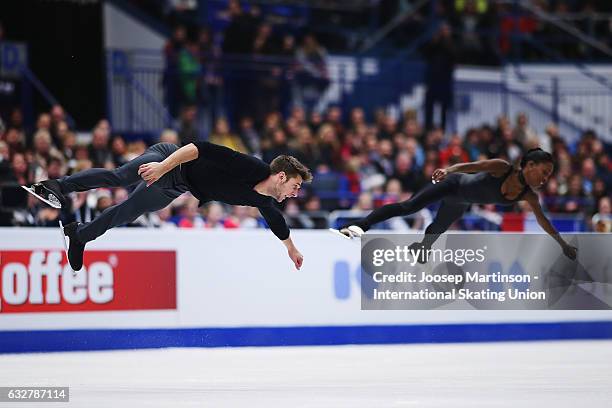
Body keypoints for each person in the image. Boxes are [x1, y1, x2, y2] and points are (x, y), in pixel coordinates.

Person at [25, 142, 312, 271]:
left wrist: (291, 248)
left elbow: (276, 221)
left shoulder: (265, 199)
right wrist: (163, 166)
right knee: (122, 177)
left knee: (129, 211)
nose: (295, 194)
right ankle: (56, 186)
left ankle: (78, 235)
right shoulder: (251, 167)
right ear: (282, 176)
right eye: (295, 186)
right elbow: (199, 148)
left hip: (178, 185)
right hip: (170, 159)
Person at [339, 148, 577, 263]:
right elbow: (473, 165)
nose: (545, 180)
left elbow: (543, 221)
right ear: (530, 165)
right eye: (544, 173)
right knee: (409, 207)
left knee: (437, 229)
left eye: (548, 177)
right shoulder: (502, 167)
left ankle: (421, 248)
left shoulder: (529, 196)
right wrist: (448, 170)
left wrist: (562, 244)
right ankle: (361, 225)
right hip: (453, 184)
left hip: (462, 201)